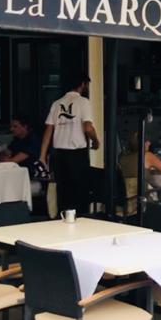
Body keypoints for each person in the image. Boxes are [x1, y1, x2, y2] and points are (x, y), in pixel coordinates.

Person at [40, 72, 99, 216]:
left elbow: (48, 130)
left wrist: (42, 155)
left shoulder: (57, 103)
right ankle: (80, 225)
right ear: (82, 84)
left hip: (59, 155)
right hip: (77, 154)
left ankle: (63, 223)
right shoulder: (83, 102)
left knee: (63, 193)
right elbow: (88, 127)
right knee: (80, 193)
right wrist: (96, 140)